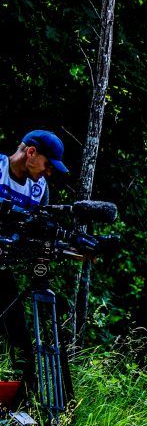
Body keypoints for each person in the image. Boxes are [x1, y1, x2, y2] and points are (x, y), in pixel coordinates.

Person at [0, 131, 69, 407]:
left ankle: (23, 409)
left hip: (1, 271)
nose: (48, 173)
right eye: (47, 165)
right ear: (31, 152)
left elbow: (39, 233)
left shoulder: (39, 189)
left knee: (20, 340)